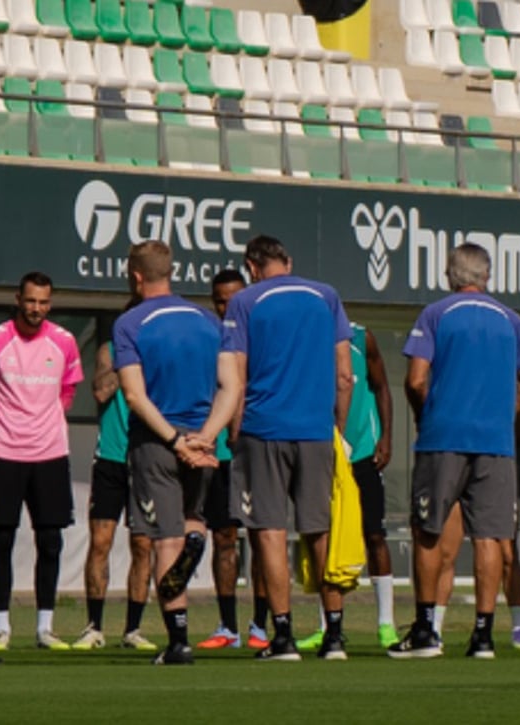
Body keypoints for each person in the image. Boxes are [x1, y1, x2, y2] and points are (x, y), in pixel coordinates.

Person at [201, 235, 354, 662]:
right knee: (318, 530)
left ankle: (282, 636)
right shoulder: (327, 296)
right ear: (288, 261)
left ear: (251, 266)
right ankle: (335, 636)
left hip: (263, 430)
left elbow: (237, 377)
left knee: (269, 530)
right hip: (317, 431)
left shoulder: (244, 303)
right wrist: (337, 429)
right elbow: (345, 375)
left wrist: (231, 433)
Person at [391, 243, 520, 659]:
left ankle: (425, 632)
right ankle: (484, 636)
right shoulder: (512, 321)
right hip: (495, 442)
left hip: (444, 437)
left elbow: (416, 380)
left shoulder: (436, 313)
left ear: (450, 275)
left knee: (429, 531)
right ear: (487, 276)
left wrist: (426, 415)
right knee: (490, 537)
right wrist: (499, 413)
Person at [114, 241, 231, 665]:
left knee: (165, 540)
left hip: (158, 444)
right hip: (204, 442)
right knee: (191, 522)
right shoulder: (208, 321)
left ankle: (178, 641)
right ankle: (197, 537)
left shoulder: (130, 323)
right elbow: (232, 387)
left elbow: (134, 394)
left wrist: (175, 441)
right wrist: (206, 436)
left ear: (136, 276)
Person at [0, 272, 82, 651]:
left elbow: (68, 389)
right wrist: (4, 422)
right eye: (31, 301)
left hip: (50, 452)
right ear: (18, 299)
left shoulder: (64, 341)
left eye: (43, 302)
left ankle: (44, 628)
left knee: (50, 540)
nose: (36, 309)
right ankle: (1, 626)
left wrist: (44, 422)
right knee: (2, 539)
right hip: (4, 451)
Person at [295, 321, 399, 652]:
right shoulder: (304, 338)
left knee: (374, 534)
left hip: (362, 449)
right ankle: (327, 624)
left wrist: (385, 437)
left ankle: (386, 623)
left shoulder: (361, 337)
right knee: (321, 535)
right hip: (322, 451)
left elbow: (382, 386)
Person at [195, 269, 271, 651]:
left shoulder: (261, 334)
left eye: (233, 299)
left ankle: (261, 626)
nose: (228, 307)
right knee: (222, 537)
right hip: (217, 452)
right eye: (221, 300)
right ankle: (228, 626)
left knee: (261, 537)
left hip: (254, 448)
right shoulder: (207, 335)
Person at [74, 324, 157, 652]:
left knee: (143, 545)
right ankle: (94, 626)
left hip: (146, 456)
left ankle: (133, 629)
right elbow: (100, 391)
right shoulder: (110, 350)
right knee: (100, 543)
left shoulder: (159, 350)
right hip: (110, 456)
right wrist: (127, 361)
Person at [434, 504, 520, 648]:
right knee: (446, 553)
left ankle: (519, 627)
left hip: (495, 487)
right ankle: (435, 628)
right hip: (457, 485)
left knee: (508, 554)